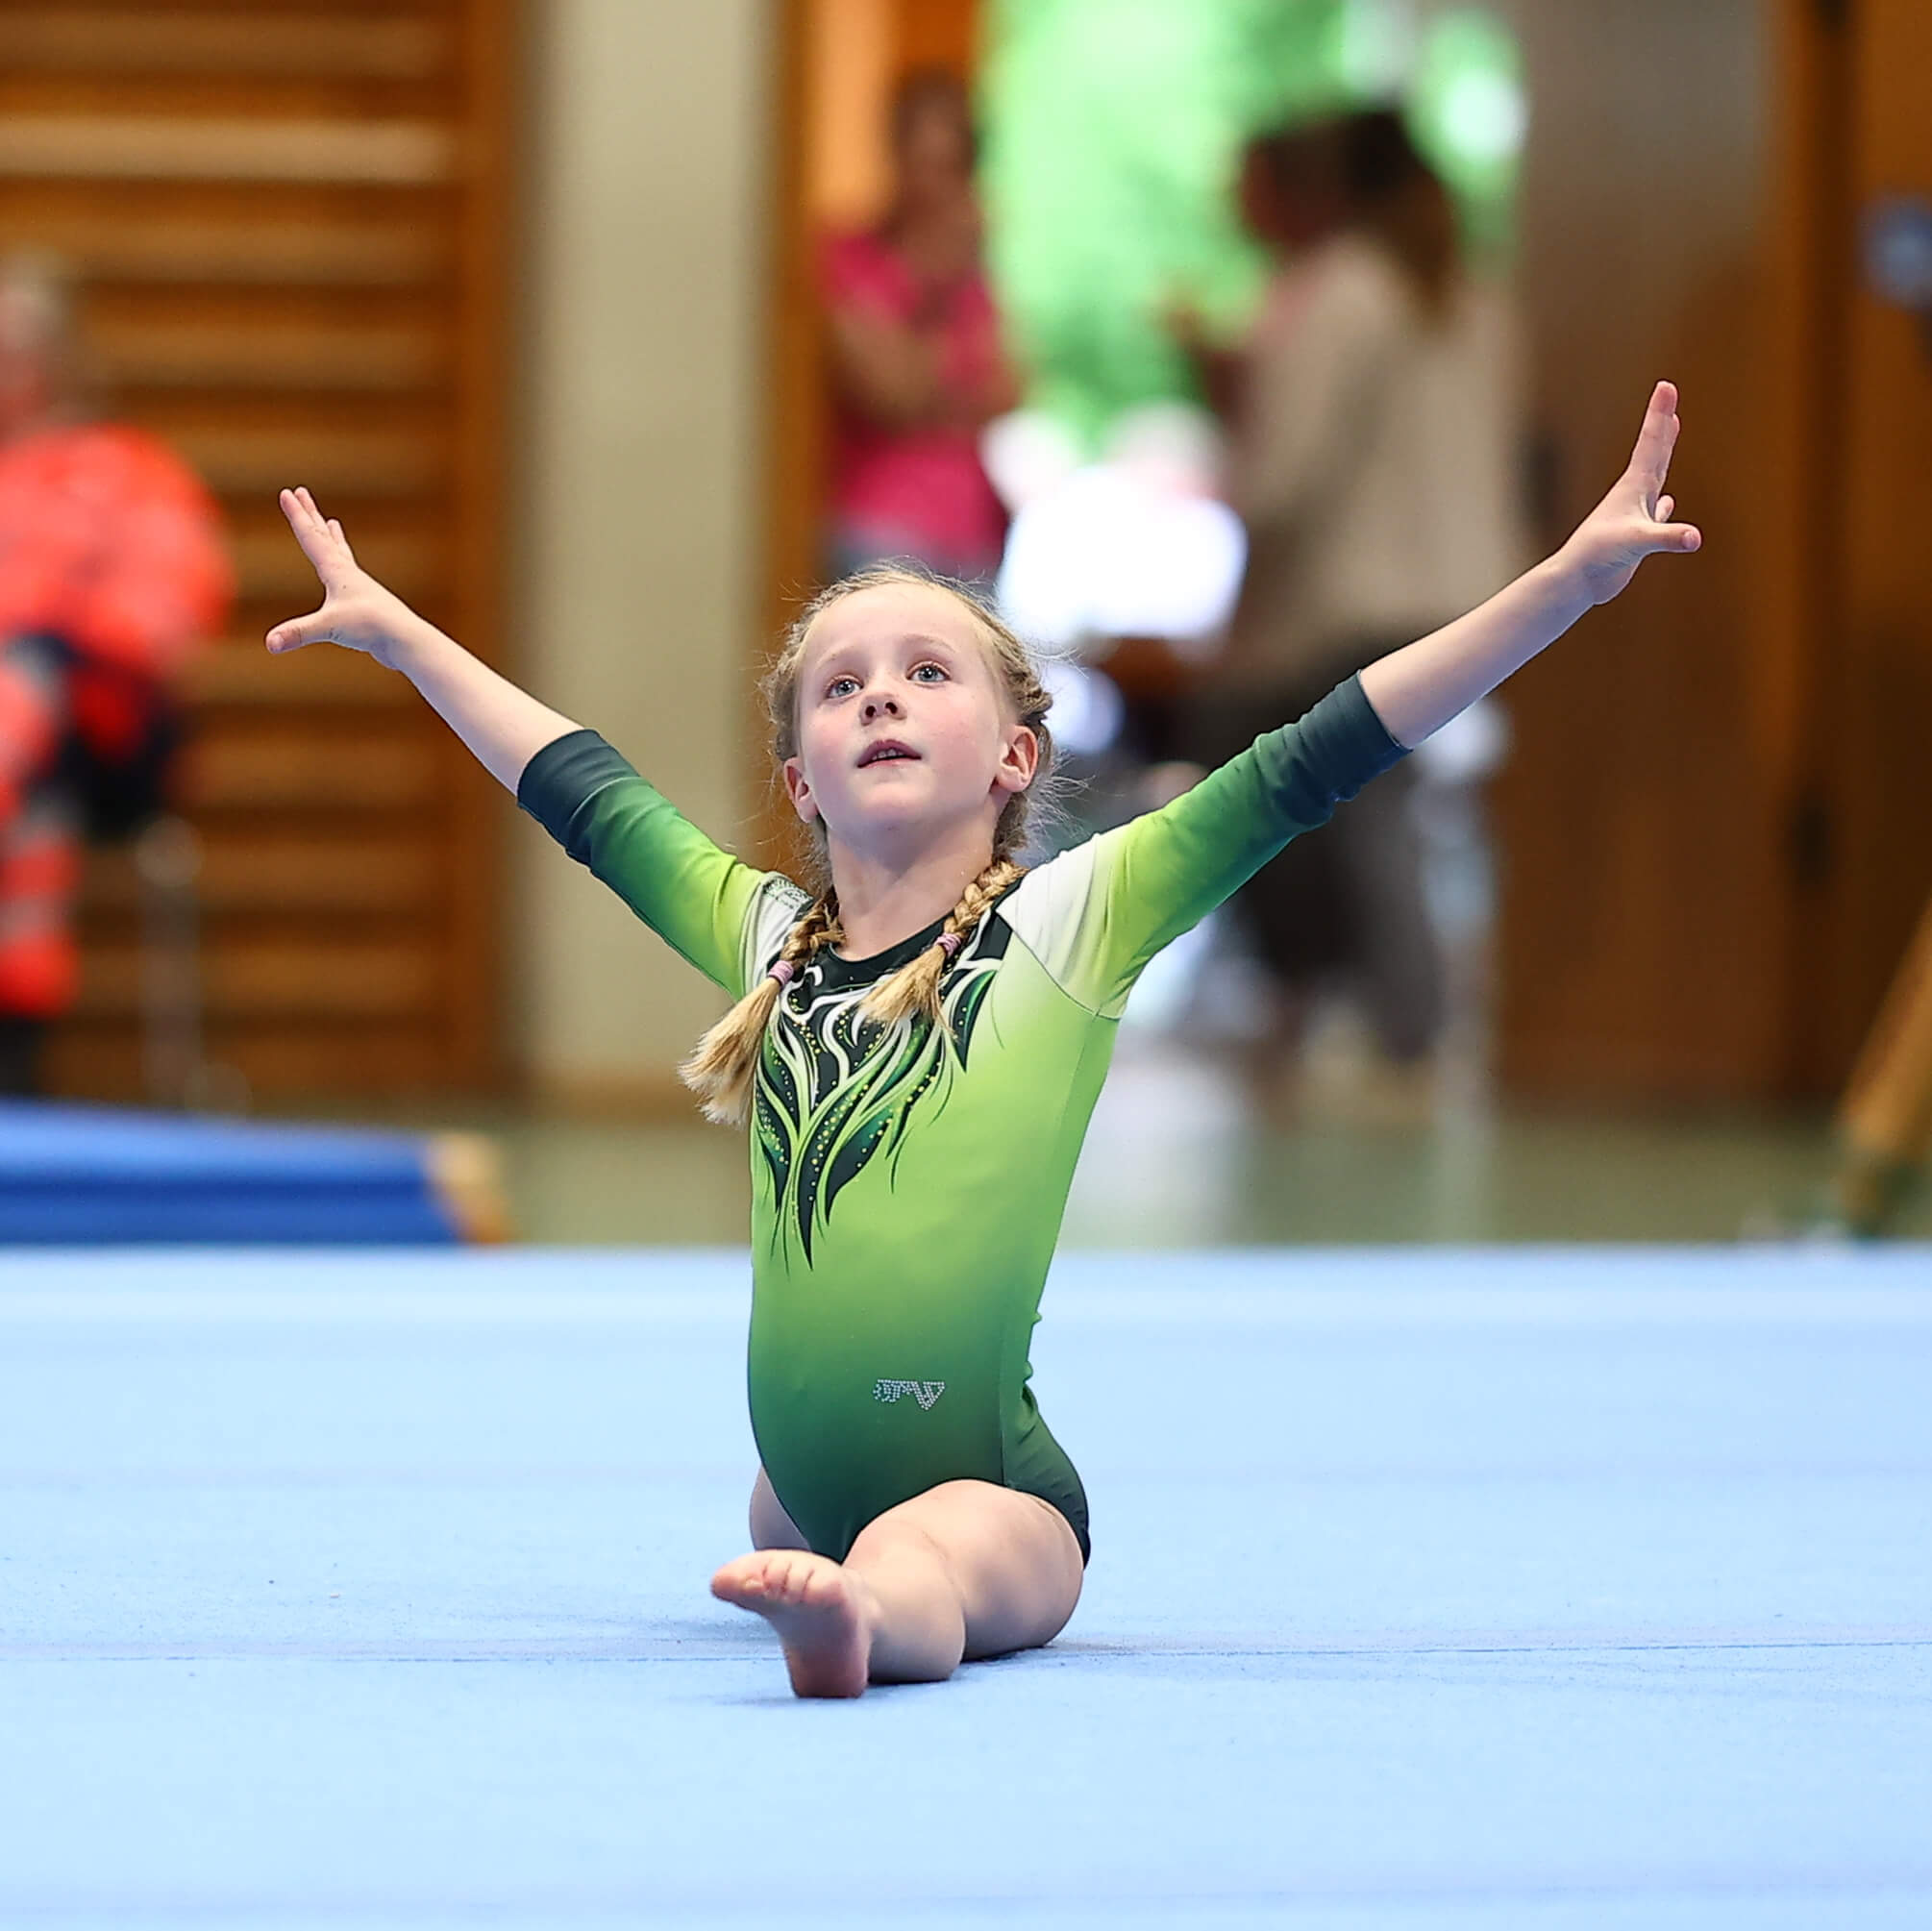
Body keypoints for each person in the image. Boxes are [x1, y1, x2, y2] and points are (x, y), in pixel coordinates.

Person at [265, 381, 1699, 1696]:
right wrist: (401, 637)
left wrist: (1565, 585)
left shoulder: (1071, 926)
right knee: (792, 1513)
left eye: (924, 673)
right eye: (840, 686)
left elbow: (1326, 750)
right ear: (800, 782)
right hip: (806, 1480)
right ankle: (835, 1560)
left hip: (995, 1496)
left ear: (1016, 755)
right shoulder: (777, 947)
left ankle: (861, 1629)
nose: (878, 692)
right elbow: (581, 790)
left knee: (921, 1554)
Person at [1186, 110, 1531, 1074]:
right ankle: (1398, 1020)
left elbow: (1281, 482)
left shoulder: (1343, 297)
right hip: (1479, 598)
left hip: (1369, 602)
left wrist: (1232, 418)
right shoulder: (1476, 297)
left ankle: (1391, 1026)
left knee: (1304, 790)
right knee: (1393, 809)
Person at [0, 253, 232, 1095]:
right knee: (26, 778)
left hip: (108, 732)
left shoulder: (131, 474)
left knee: (27, 676)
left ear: (61, 356)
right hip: (33, 764)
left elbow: (169, 614)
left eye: (17, 346)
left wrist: (58, 635)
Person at [821, 68, 1019, 583]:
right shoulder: (848, 259)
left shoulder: (976, 276)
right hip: (879, 528)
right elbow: (893, 395)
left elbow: (1008, 393)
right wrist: (936, 289)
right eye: (921, 163)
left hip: (973, 535)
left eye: (949, 167)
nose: (932, 186)